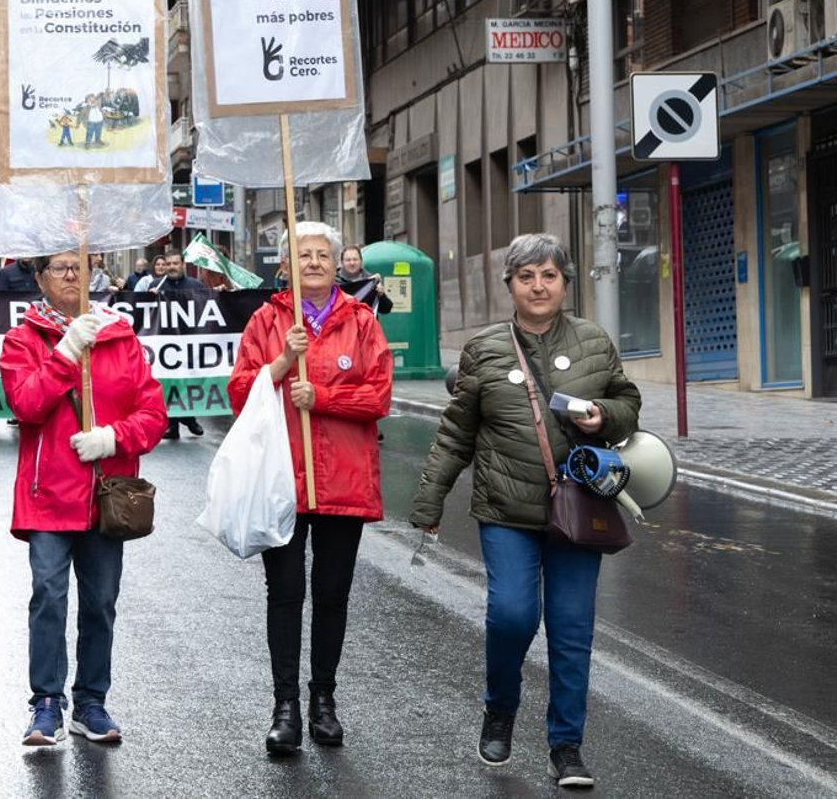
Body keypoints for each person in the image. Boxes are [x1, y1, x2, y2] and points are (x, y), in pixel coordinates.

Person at [410, 234, 640, 790]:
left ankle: (567, 746)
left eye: (549, 275)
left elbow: (628, 406)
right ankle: (500, 708)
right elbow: (456, 432)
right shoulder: (484, 349)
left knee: (570, 630)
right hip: (506, 508)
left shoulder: (593, 340)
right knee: (512, 614)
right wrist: (429, 500)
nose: (539, 286)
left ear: (565, 282)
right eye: (526, 276)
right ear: (509, 284)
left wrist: (603, 416)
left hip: (580, 509)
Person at [228, 221, 392, 756]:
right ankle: (285, 707)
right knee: (285, 594)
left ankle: (324, 699)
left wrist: (318, 396)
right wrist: (278, 364)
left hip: (344, 478)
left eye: (323, 254)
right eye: (304, 255)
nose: (316, 263)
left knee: (332, 595)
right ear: (286, 266)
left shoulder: (362, 321)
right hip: (282, 480)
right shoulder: (266, 321)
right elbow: (238, 395)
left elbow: (377, 397)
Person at [0, 249, 169, 747]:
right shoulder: (22, 340)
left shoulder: (121, 337)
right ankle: (46, 703)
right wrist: (66, 352)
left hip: (105, 496)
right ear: (40, 279)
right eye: (60, 268)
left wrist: (115, 438)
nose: (72, 275)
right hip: (48, 494)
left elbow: (154, 413)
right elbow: (27, 405)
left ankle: (91, 702)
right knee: (48, 598)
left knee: (100, 602)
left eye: (80, 266)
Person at [139, 251, 208, 439]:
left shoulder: (196, 285)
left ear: (182, 264)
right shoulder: (155, 285)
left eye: (175, 263)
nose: (171, 267)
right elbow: (146, 313)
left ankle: (188, 417)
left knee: (188, 379)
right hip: (165, 341)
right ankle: (174, 424)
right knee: (169, 381)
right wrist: (148, 298)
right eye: (168, 264)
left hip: (189, 340)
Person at [337, 245, 393, 315]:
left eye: (355, 259)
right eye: (348, 260)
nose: (352, 263)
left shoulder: (371, 281)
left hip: (366, 325)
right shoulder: (333, 282)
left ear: (361, 261)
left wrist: (381, 295)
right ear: (342, 262)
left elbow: (386, 309)